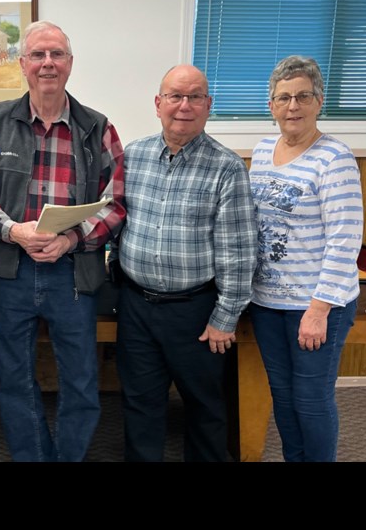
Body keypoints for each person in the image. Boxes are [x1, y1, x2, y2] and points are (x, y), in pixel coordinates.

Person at [0, 20, 126, 462]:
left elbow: (117, 203)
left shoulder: (98, 128)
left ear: (70, 64)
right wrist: (14, 231)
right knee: (14, 380)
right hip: (10, 273)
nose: (47, 63)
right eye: (38, 55)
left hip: (73, 275)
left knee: (82, 382)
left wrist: (71, 240)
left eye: (57, 54)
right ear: (23, 64)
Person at [112, 64, 256, 462]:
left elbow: (239, 250)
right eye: (175, 96)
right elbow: (112, 220)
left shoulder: (226, 167)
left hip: (196, 312)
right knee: (140, 405)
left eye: (195, 97)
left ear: (208, 105)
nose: (184, 106)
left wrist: (225, 316)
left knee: (205, 409)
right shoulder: (132, 156)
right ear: (158, 104)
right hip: (136, 305)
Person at [247, 55, 364, 462]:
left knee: (311, 401)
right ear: (271, 106)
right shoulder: (263, 151)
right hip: (267, 303)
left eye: (302, 96)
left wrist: (318, 310)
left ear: (319, 101)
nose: (292, 106)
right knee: (282, 397)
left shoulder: (334, 159)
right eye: (283, 98)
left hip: (314, 306)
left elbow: (345, 241)